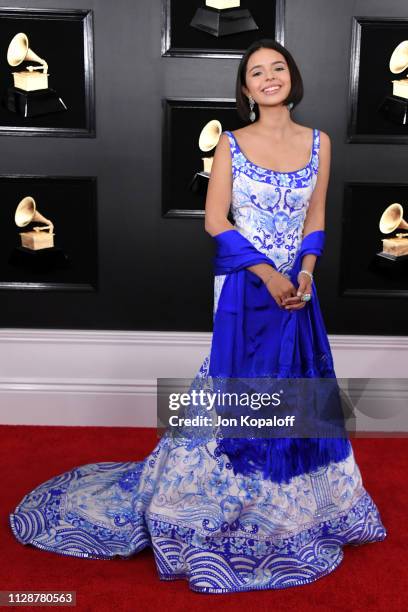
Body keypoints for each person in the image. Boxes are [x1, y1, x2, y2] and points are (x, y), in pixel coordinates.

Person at [9, 39, 387, 594]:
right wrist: (270, 275)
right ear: (245, 89)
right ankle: (223, 504)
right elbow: (215, 221)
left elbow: (316, 217)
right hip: (245, 284)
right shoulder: (231, 144)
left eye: (277, 68)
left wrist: (305, 272)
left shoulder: (320, 143)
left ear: (292, 77)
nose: (268, 77)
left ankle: (300, 508)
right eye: (256, 72)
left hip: (298, 290)